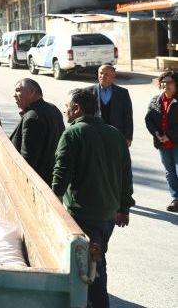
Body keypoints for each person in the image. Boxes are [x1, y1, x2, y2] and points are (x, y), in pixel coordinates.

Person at [52, 88, 134, 308]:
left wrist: (53, 200)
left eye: (67, 106)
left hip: (81, 212)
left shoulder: (72, 133)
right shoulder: (115, 134)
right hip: (108, 213)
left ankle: (91, 303)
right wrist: (124, 207)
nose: (64, 110)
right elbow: (126, 174)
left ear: (77, 109)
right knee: (95, 261)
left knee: (85, 264)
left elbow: (62, 172)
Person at [9, 78, 65, 183]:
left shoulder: (32, 117)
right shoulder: (53, 109)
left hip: (37, 183)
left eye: (18, 90)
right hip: (50, 178)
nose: (14, 95)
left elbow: (27, 160)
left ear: (32, 92)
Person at [143, 70, 178, 212]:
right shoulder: (155, 100)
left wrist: (169, 135)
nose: (165, 85)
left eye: (169, 82)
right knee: (170, 172)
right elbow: (149, 120)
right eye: (163, 82)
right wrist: (156, 133)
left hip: (176, 141)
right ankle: (175, 199)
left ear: (176, 84)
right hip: (162, 143)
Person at [86, 64, 133, 147]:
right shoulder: (88, 92)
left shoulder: (122, 93)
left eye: (106, 74)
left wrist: (128, 137)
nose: (102, 76)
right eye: (101, 73)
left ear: (113, 76)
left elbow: (128, 116)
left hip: (116, 135)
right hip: (95, 135)